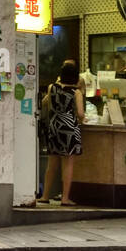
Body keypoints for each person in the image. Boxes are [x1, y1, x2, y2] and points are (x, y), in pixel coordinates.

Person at [38, 61, 84, 206]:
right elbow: (81, 113)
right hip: (69, 128)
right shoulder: (76, 92)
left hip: (54, 127)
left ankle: (45, 196)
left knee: (52, 164)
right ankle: (65, 198)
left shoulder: (52, 87)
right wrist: (80, 117)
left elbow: (46, 104)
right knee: (68, 164)